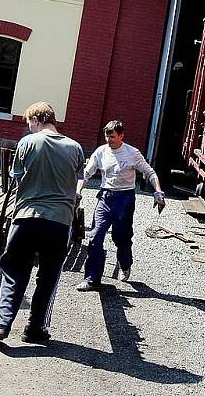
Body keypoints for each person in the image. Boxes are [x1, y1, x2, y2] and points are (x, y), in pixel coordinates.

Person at [0, 102, 85, 344]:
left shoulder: (27, 143)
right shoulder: (75, 148)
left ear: (37, 119)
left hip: (26, 217)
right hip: (59, 222)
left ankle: (2, 323)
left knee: (14, 271)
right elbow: (79, 180)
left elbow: (14, 179)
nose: (29, 127)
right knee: (48, 276)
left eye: (29, 122)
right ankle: (34, 328)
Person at [76, 120, 166, 291]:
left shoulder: (132, 153)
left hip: (125, 199)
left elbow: (150, 172)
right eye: (107, 136)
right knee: (95, 236)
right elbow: (86, 174)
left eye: (112, 136)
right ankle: (92, 279)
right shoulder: (101, 152)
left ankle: (125, 263)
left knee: (121, 237)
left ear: (121, 136)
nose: (108, 139)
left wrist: (158, 192)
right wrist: (78, 191)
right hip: (105, 197)